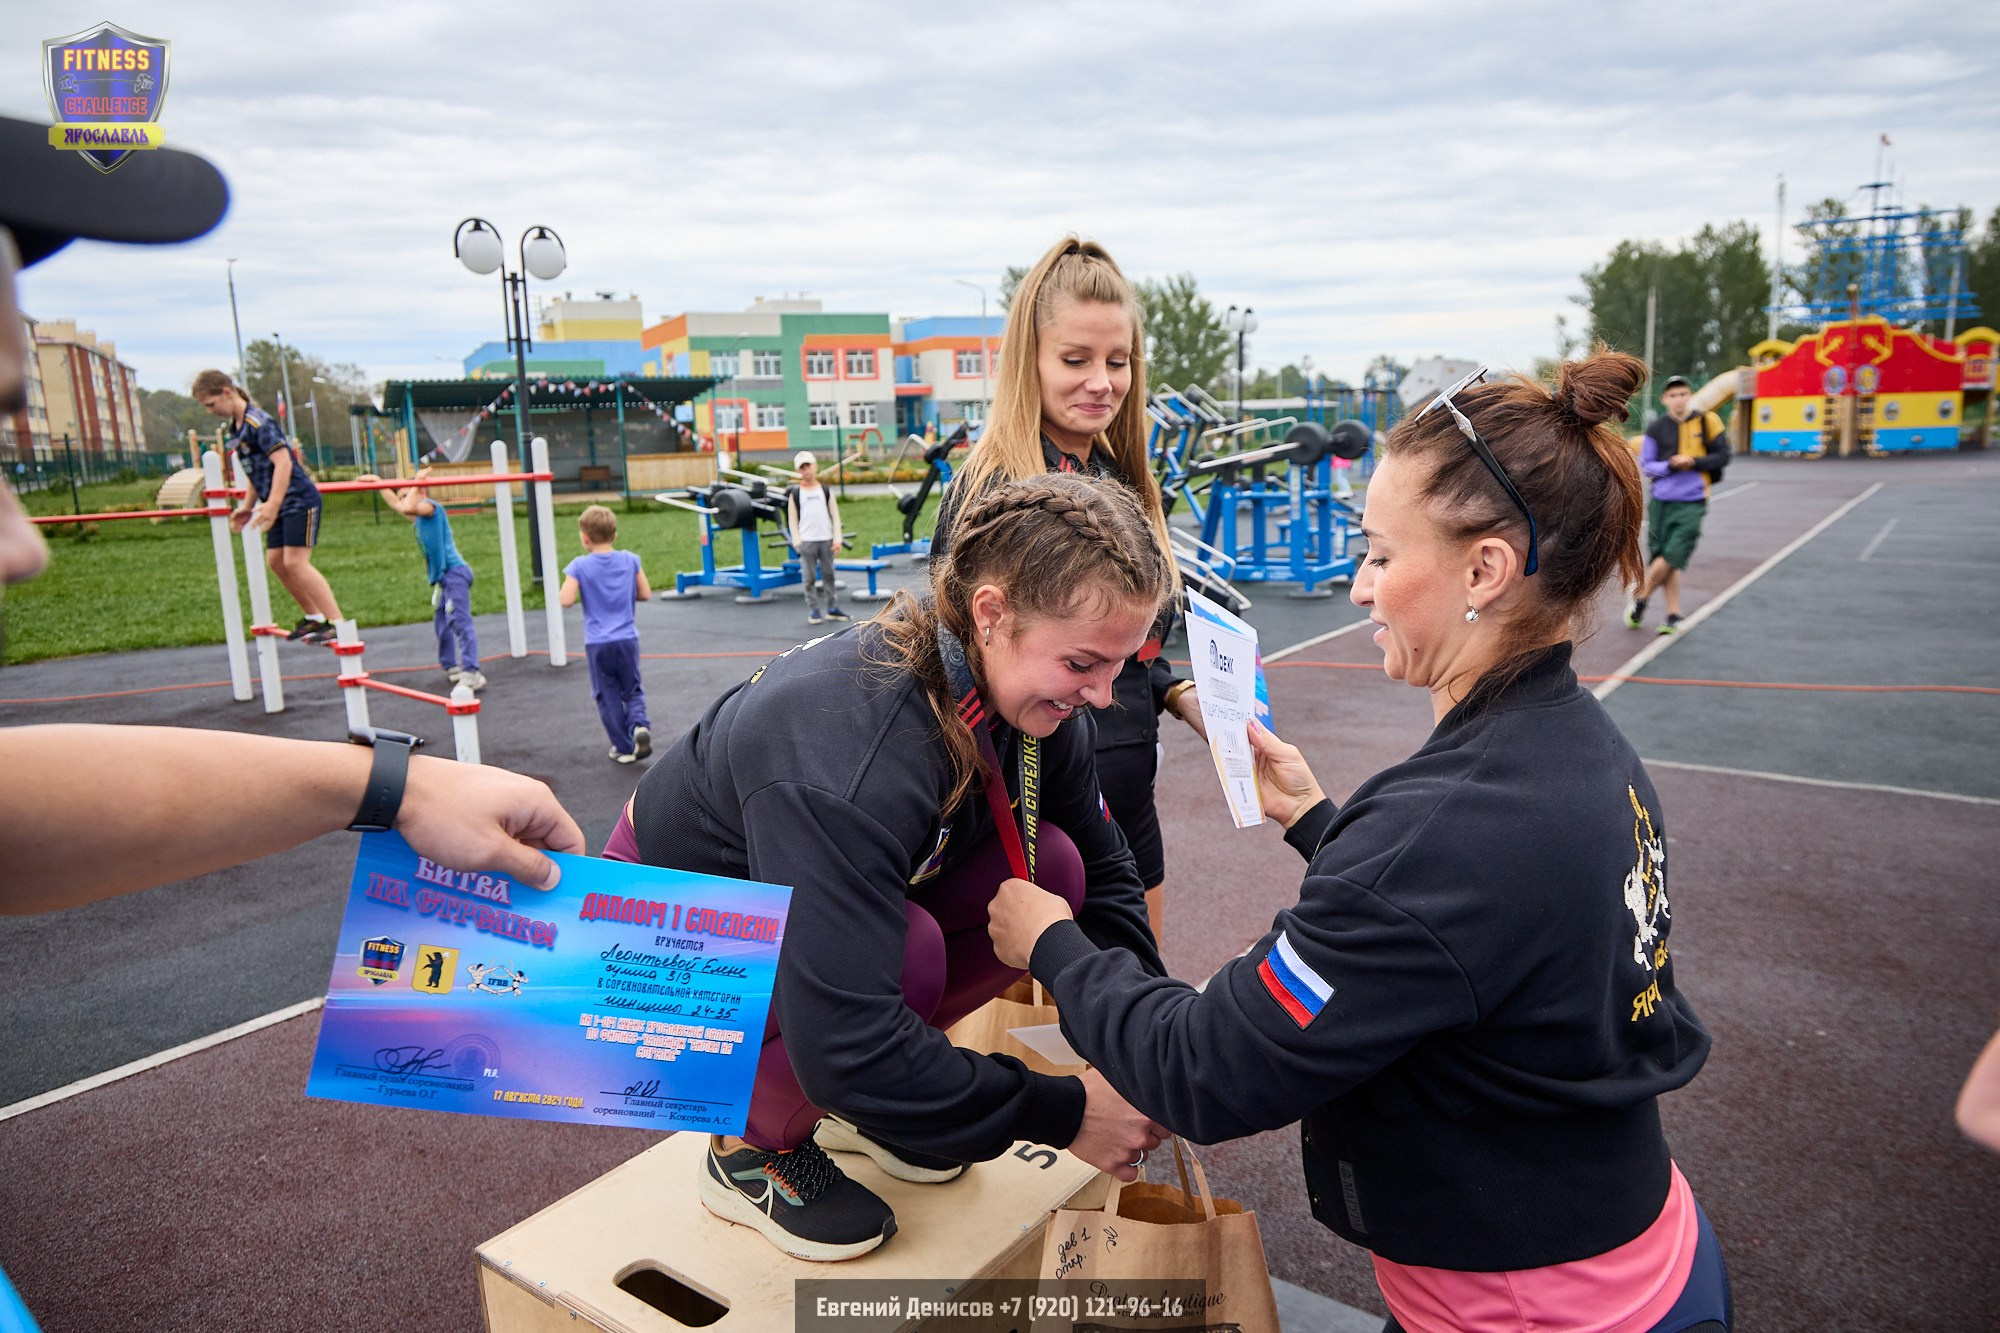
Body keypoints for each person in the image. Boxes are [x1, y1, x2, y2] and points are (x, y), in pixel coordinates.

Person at [990, 354, 1731, 1332]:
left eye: (1380, 554)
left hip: (1534, 1310)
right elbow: (1465, 934)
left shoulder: (1443, 829)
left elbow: (1205, 1068)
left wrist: (1048, 939)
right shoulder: (1577, 752)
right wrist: (1316, 821)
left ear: (1484, 568)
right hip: (1630, 1249)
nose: (1356, 587)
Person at [0, 109, 590, 1333]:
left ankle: (312, 606)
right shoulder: (248, 434)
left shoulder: (261, 439)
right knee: (293, 571)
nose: (23, 549)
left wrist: (386, 787)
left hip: (308, 525)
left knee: (296, 568)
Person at [601, 472, 1171, 1262]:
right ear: (991, 612)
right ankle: (747, 1145)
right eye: (1083, 662)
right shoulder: (852, 750)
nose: (1105, 695)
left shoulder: (1027, 691)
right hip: (648, 955)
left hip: (790, 916)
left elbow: (1107, 868)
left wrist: (1145, 1042)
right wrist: (1067, 1111)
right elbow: (849, 1042)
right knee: (904, 956)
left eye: (1120, 663)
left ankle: (859, 1111)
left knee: (1056, 872)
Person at [933, 236, 1203, 937]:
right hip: (1038, 796)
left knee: (1137, 1007)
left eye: (1117, 361)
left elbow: (1134, 639)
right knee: (1043, 1026)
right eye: (1075, 359)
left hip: (1132, 782)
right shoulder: (992, 495)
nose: (1102, 381)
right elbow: (956, 658)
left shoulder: (1125, 480)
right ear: (1030, 361)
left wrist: (1185, 697)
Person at [192, 368, 344, 645]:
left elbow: (283, 462)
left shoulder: (258, 422)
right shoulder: (236, 429)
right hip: (277, 503)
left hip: (298, 499)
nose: (211, 411)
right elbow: (255, 471)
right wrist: (248, 506)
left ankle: (337, 623)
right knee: (276, 562)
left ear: (227, 392)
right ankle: (315, 617)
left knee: (295, 562)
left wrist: (272, 504)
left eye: (211, 404)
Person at [364, 467, 485, 691]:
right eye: (402, 495)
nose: (403, 502)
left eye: (407, 494)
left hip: (455, 574)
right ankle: (452, 666)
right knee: (442, 622)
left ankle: (472, 671)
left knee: (459, 621)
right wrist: (378, 482)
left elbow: (408, 505)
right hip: (445, 578)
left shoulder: (432, 508)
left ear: (420, 494)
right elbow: (398, 504)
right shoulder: (418, 515)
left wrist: (417, 483)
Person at [1627, 374, 1728, 636]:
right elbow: (1647, 466)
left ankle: (1641, 598)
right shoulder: (1656, 428)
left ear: (1690, 395)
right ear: (1664, 400)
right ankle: (1673, 614)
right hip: (1661, 500)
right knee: (1664, 558)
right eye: (1673, 395)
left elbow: (1723, 456)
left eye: (1683, 393)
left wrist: (1693, 461)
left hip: (1693, 500)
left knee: (1675, 551)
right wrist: (1671, 464)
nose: (1678, 399)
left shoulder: (1708, 421)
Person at [559, 504, 652, 763]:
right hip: (627, 638)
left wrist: (568, 589)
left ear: (585, 537)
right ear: (614, 535)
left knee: (606, 693)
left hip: (598, 642)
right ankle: (639, 725)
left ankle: (622, 748)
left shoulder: (579, 566)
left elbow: (566, 599)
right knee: (632, 688)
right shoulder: (630, 560)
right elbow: (645, 593)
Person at [785, 450, 849, 625]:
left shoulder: (826, 491)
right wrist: (797, 541)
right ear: (799, 471)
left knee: (829, 575)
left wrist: (837, 538)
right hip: (807, 541)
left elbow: (835, 516)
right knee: (809, 578)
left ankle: (832, 608)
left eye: (808, 466)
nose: (806, 471)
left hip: (826, 539)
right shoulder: (796, 494)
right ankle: (813, 610)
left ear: (815, 466)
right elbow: (792, 520)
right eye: (802, 468)